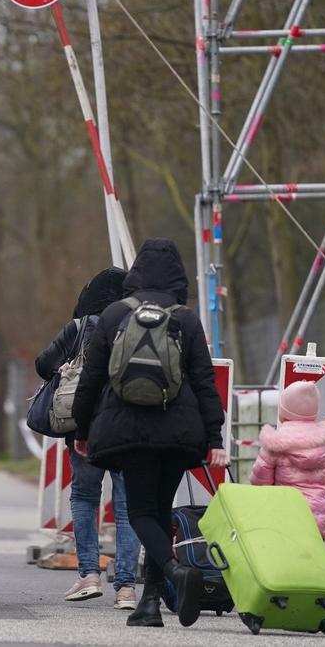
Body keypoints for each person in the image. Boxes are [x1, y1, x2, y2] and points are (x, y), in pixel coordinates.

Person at [71, 238, 228, 629]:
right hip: (179, 433)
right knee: (159, 510)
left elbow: (90, 379)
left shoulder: (113, 315)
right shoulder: (187, 319)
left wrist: (82, 427)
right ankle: (150, 604)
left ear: (137, 270)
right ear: (177, 274)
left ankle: (175, 573)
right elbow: (205, 382)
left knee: (140, 512)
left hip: (129, 429)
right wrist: (215, 438)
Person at [35, 267, 141, 609]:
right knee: (127, 507)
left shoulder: (80, 327)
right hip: (128, 427)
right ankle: (126, 588)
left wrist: (65, 371)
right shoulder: (139, 324)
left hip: (85, 428)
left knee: (84, 497)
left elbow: (43, 363)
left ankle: (89, 576)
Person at [249, 380, 325, 540]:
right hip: (320, 517)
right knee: (314, 557)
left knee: (286, 557)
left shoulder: (275, 444)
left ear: (284, 410)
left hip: (285, 513)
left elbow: (260, 482)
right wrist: (320, 496)